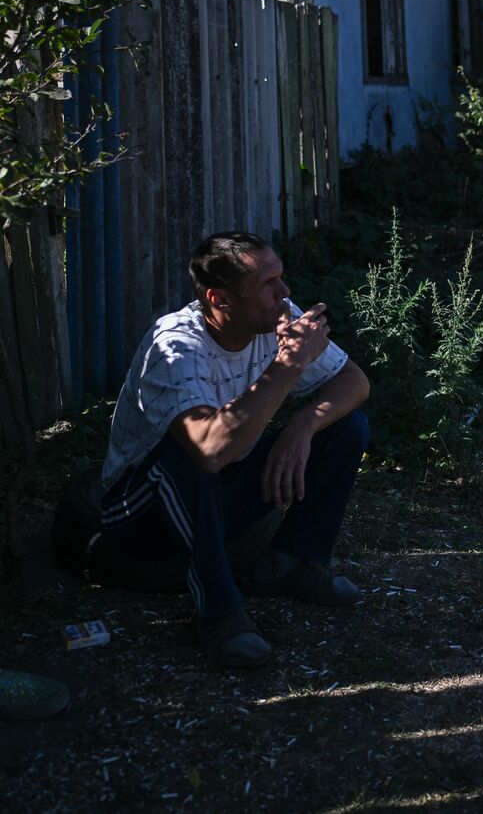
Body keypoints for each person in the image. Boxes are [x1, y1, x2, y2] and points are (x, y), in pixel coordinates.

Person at [98, 232, 371, 668]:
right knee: (191, 454)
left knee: (345, 426)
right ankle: (219, 612)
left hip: (220, 490)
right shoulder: (176, 346)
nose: (284, 293)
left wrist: (302, 427)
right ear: (220, 299)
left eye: (281, 278)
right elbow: (208, 449)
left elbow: (354, 382)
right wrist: (288, 366)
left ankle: (291, 562)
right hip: (140, 513)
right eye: (268, 284)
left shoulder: (273, 317)